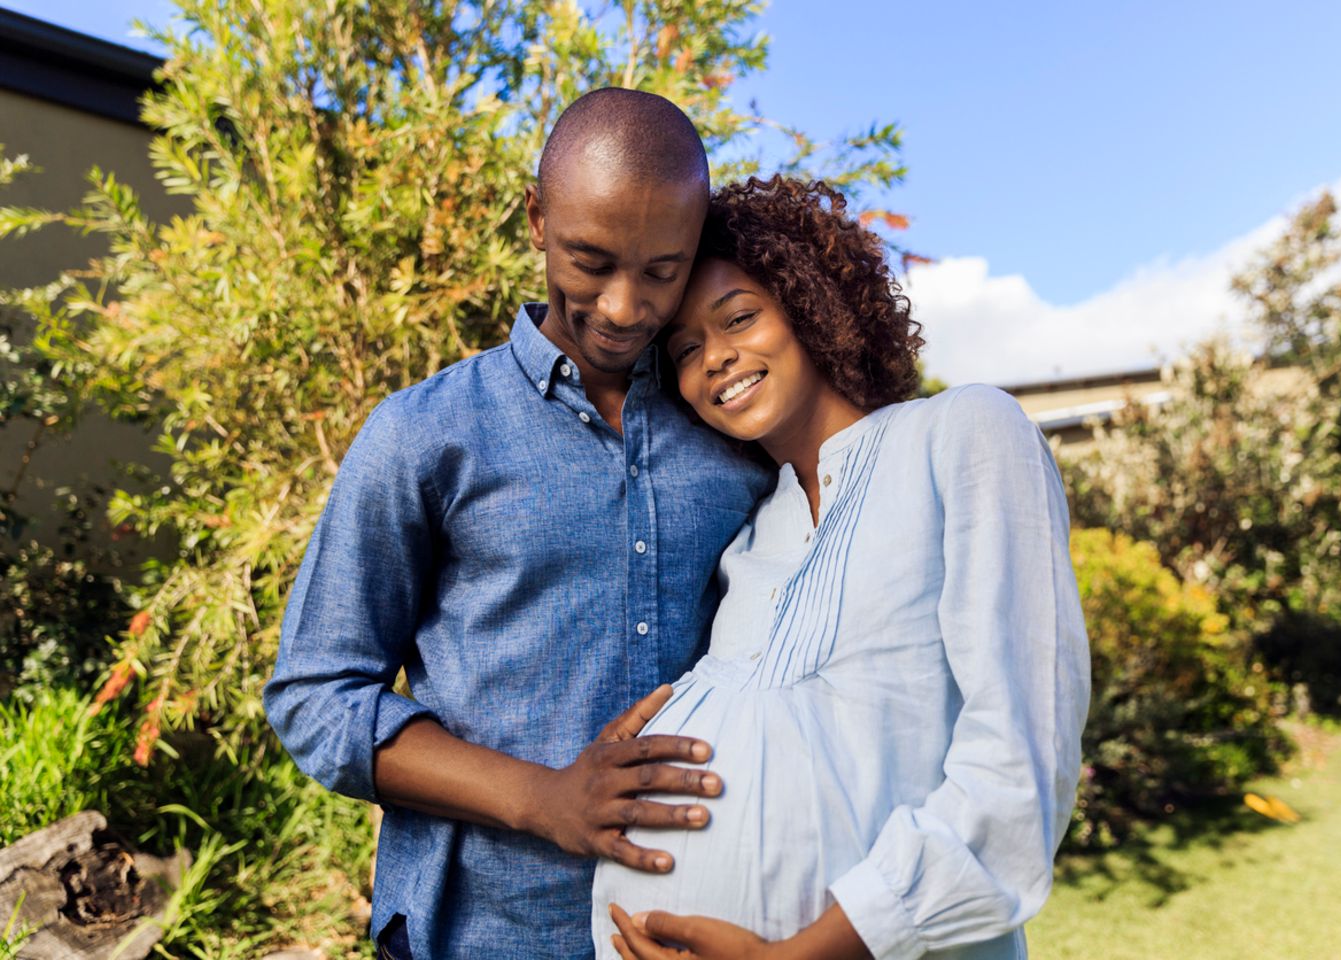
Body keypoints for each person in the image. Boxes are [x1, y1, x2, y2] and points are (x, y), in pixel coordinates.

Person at [263, 89, 774, 958]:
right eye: (590, 260)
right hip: (475, 936)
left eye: (662, 269)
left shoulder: (734, 434)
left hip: (690, 929)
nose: (622, 307)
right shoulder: (425, 434)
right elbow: (316, 699)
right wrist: (542, 797)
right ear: (537, 218)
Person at [594, 176, 1091, 959]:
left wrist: (806, 952)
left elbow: (1018, 764)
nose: (716, 358)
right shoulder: (752, 536)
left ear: (812, 305)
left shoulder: (960, 435)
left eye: (740, 318)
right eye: (685, 350)